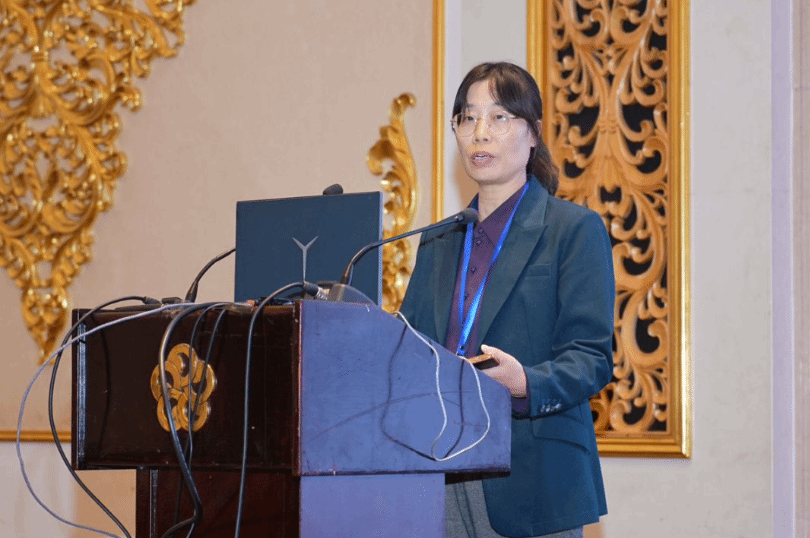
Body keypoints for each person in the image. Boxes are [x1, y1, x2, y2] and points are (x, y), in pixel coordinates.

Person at [398, 61, 614, 538]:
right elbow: (410, 347)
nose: (480, 133)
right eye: (468, 118)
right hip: (441, 467)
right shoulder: (438, 239)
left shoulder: (573, 230)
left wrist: (525, 383)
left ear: (532, 133)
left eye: (498, 117)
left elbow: (592, 357)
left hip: (533, 472)